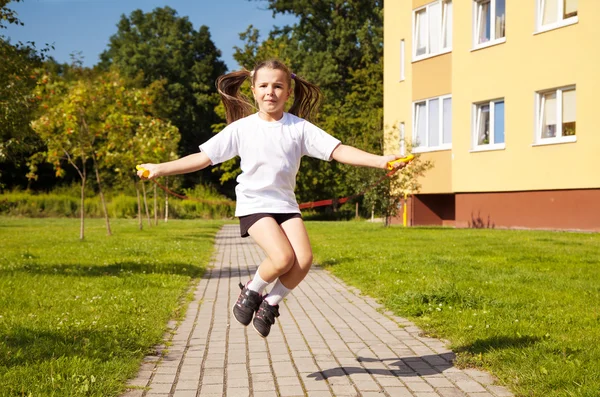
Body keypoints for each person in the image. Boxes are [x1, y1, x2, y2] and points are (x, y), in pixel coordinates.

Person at [137, 59, 407, 338]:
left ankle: (270, 302)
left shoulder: (299, 128)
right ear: (253, 90)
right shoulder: (242, 129)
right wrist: (160, 168)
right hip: (254, 204)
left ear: (288, 92)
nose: (270, 92)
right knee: (282, 258)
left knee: (303, 260)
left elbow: (338, 150)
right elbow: (203, 158)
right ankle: (251, 291)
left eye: (278, 86)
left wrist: (381, 161)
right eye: (264, 86)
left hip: (285, 206)